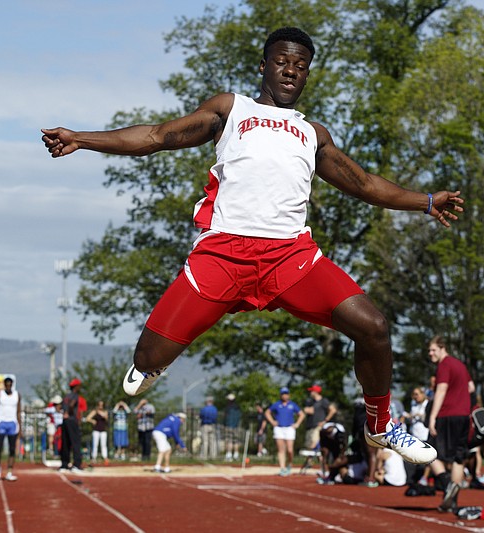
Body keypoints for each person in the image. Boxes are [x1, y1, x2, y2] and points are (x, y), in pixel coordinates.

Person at [42, 26, 461, 466]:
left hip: (290, 258)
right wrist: (82, 139)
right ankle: (152, 362)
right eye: (283, 61)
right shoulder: (231, 109)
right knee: (146, 359)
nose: (291, 71)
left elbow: (366, 184)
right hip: (223, 255)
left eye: (301, 67)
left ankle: (379, 427)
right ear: (263, 65)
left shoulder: (312, 134)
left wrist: (427, 201)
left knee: (374, 327)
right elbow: (157, 137)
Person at [426, 336, 475, 513]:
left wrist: (432, 417)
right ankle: (451, 501)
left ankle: (447, 485)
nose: (430, 353)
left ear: (442, 348)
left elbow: (441, 390)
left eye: (433, 350)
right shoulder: (460, 365)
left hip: (447, 415)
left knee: (428, 451)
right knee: (458, 457)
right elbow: (471, 387)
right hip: (463, 415)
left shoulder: (444, 365)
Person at [264, 387, 305, 476]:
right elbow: (267, 412)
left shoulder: (293, 405)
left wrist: (297, 424)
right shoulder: (276, 404)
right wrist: (272, 422)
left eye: (286, 394)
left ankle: (290, 463)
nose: (285, 396)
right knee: (281, 449)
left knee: (290, 449)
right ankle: (282, 468)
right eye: (283, 394)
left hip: (289, 428)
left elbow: (301, 414)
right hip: (279, 428)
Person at [0, 376, 21, 481]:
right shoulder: (0, 394)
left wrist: (20, 427)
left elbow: (18, 412)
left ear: (12, 385)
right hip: (1, 423)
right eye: (6, 385)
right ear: (4, 385)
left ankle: (9, 471)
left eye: (10, 385)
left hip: (12, 424)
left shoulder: (17, 395)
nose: (8, 387)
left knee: (12, 449)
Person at [59, 378, 86, 473]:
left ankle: (64, 464)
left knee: (65, 443)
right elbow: (72, 405)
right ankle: (77, 465)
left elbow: (60, 407)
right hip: (72, 420)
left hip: (65, 421)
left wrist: (64, 413)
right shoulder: (75, 396)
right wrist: (68, 412)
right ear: (76, 387)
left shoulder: (66, 396)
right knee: (76, 442)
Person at [303, 384, 338, 455]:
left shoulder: (323, 401)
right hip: (310, 426)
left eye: (312, 391)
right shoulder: (310, 401)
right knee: (309, 446)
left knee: (315, 444)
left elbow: (333, 410)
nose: (310, 393)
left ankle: (321, 461)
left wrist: (325, 421)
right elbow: (307, 410)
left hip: (318, 426)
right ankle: (309, 463)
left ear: (315, 392)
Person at [86, 400, 110, 466]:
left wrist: (105, 415)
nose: (101, 406)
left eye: (102, 405)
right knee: (95, 445)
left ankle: (105, 458)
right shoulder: (95, 411)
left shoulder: (105, 412)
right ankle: (93, 458)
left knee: (103, 445)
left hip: (103, 430)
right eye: (100, 405)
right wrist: (92, 421)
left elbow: (107, 419)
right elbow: (87, 418)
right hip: (96, 430)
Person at [223, 393, 241, 461]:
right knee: (236, 441)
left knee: (229, 440)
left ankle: (229, 455)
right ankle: (236, 455)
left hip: (229, 425)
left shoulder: (228, 408)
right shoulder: (237, 407)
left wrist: (224, 424)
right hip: (236, 426)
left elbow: (225, 417)